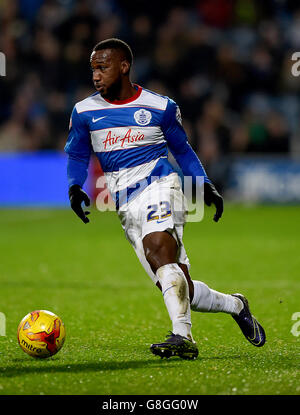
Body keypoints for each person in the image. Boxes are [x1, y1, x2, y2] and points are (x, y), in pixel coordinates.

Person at [65, 38, 266, 360]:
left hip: (160, 185)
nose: (96, 75)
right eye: (93, 69)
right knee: (174, 281)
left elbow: (182, 150)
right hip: (124, 203)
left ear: (124, 66)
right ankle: (236, 304)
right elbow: (76, 154)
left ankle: (182, 336)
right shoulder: (84, 111)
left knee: (159, 249)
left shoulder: (160, 107)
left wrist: (204, 184)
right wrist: (75, 187)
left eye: (102, 67)